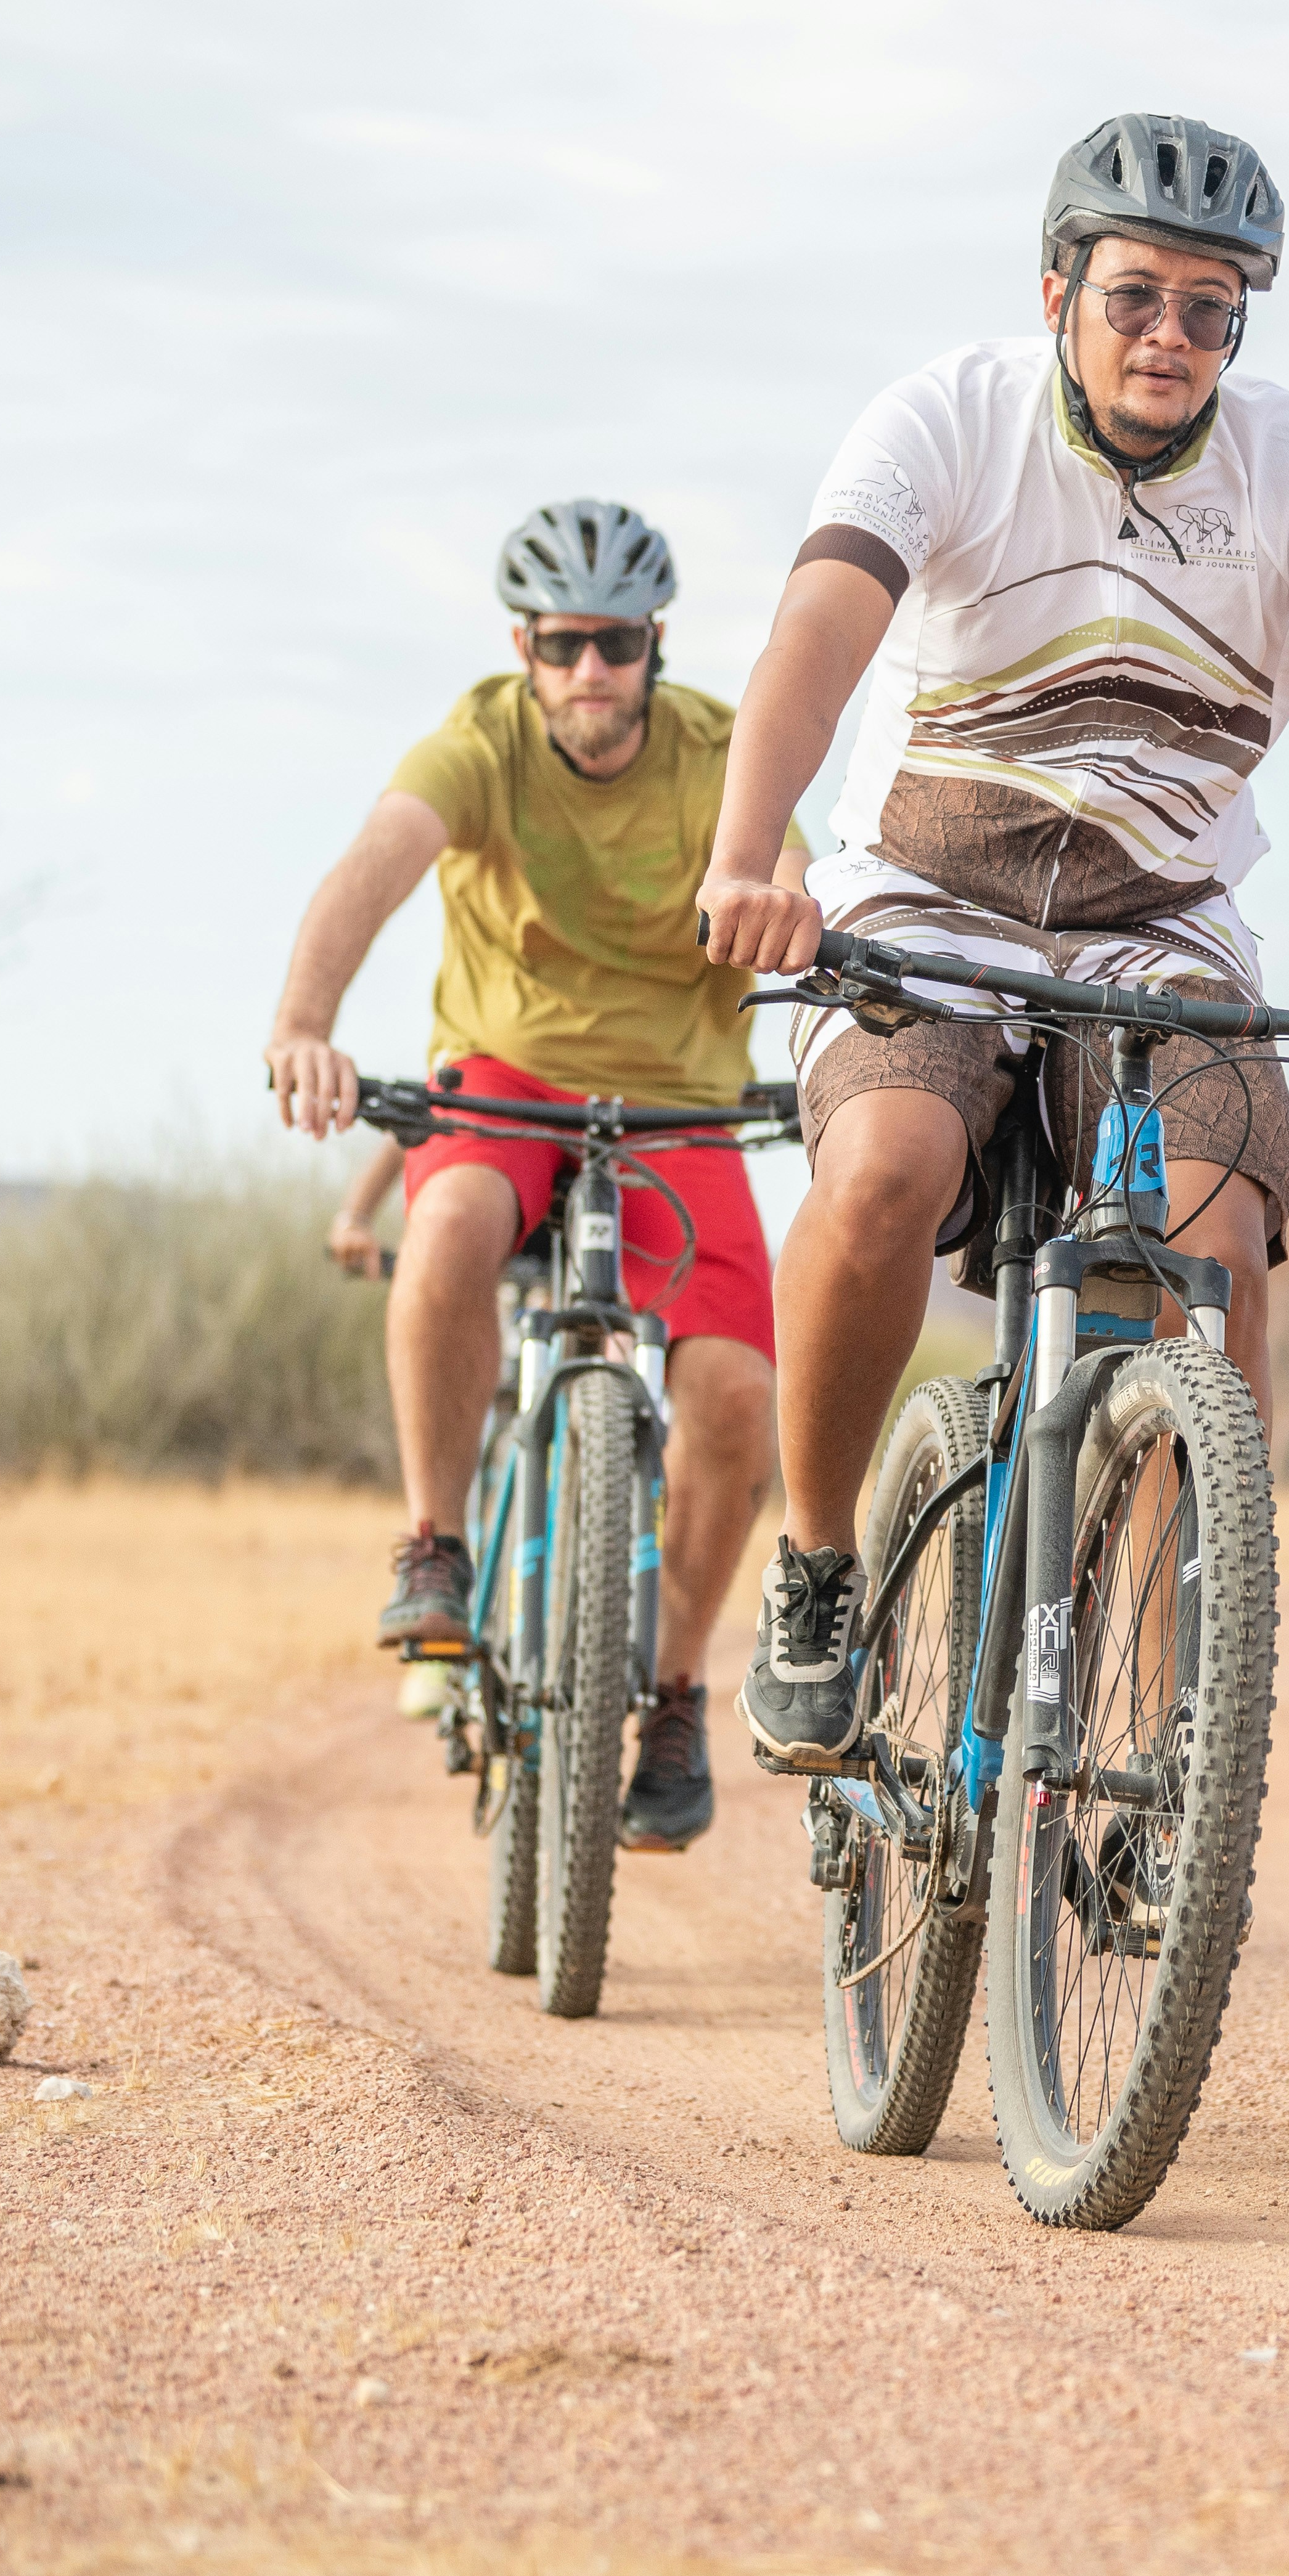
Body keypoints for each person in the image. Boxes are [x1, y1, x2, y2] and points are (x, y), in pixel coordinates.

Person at [696, 113, 1289, 1769]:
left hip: (1160, 923)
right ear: (1057, 292)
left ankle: (1179, 1723)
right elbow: (817, 633)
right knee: (882, 1170)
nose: (1170, 336)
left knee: (1218, 1253)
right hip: (924, 896)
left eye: (1209, 310)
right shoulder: (948, 419)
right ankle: (815, 1568)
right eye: (1135, 299)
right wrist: (756, 860)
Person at [262, 499, 801, 1854]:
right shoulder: (482, 740)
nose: (590, 673)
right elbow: (371, 871)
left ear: (654, 642)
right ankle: (433, 1544)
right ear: (525, 645)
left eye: (616, 643)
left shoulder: (720, 750)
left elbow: (795, 874)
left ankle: (674, 1695)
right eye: (564, 645)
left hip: (682, 1103)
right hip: (508, 1074)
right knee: (445, 1226)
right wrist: (305, 1024)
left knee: (737, 1395)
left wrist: (802, 916)